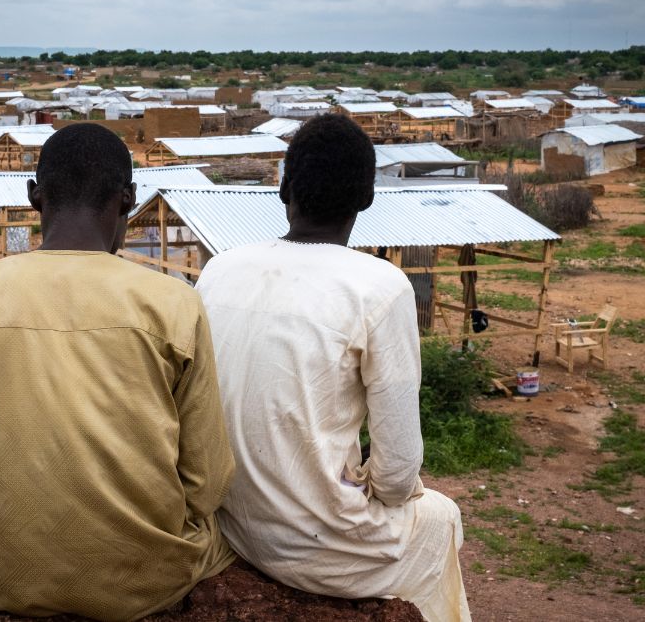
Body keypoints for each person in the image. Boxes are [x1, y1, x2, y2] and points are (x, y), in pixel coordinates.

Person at [0, 123, 235, 621]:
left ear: (34, 196)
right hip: (142, 586)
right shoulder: (173, 303)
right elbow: (207, 479)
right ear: (128, 199)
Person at [194, 114, 471, 622]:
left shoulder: (219, 270)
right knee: (442, 517)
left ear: (283, 188)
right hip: (313, 546)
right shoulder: (380, 287)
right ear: (366, 198)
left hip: (229, 521)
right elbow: (397, 472)